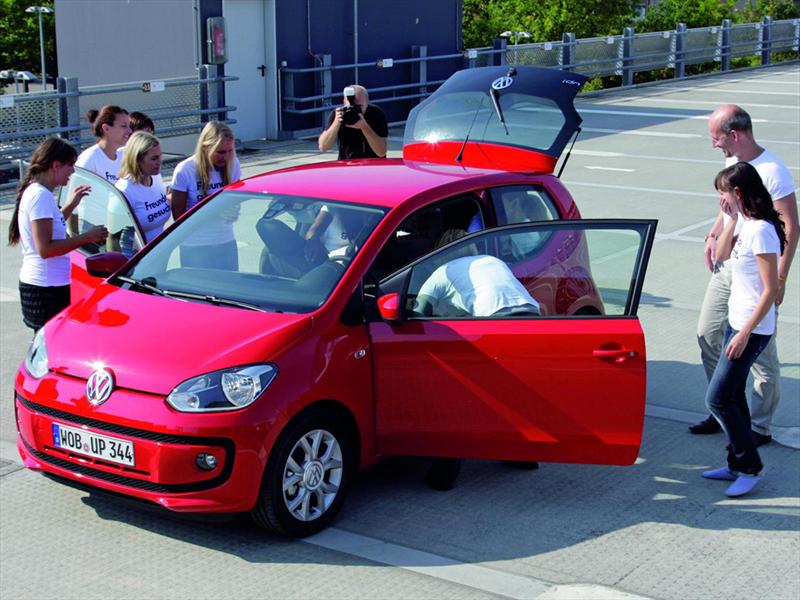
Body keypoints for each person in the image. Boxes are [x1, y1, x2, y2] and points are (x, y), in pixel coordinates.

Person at [691, 105, 798, 445]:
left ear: (734, 135)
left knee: (761, 353)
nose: (713, 145)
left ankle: (760, 426)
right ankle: (723, 407)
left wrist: (779, 279)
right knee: (708, 334)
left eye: (715, 138)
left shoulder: (772, 171)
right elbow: (728, 207)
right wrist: (713, 233)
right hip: (729, 264)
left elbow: (791, 227)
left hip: (756, 271)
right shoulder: (732, 163)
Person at [702, 162, 785, 497]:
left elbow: (770, 289)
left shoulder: (762, 231)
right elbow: (721, 255)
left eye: (723, 192)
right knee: (733, 395)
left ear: (737, 192)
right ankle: (736, 464)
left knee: (718, 399)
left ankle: (751, 466)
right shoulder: (744, 225)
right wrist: (731, 220)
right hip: (735, 323)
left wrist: (745, 333)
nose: (720, 199)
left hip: (752, 328)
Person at [7, 138, 108, 332]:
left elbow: (51, 225)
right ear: (55, 165)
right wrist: (87, 237)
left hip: (46, 286)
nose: (72, 171)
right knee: (48, 346)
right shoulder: (40, 196)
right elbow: (45, 248)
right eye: (70, 165)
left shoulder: (39, 192)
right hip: (45, 289)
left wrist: (71, 204)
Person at [414, 229, 540, 318]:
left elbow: (419, 312)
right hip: (532, 311)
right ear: (472, 246)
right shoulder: (492, 260)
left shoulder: (443, 271)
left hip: (495, 316)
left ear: (441, 252)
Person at [170, 121, 241, 269]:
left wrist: (233, 210)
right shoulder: (185, 170)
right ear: (206, 148)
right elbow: (179, 218)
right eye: (220, 152)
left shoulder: (234, 165)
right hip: (196, 246)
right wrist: (214, 212)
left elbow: (234, 206)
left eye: (230, 151)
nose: (226, 157)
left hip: (225, 241)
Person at [115, 132, 170, 254]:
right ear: (138, 160)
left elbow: (155, 205)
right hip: (137, 262)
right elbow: (114, 239)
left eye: (160, 156)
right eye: (154, 158)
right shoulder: (124, 190)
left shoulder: (156, 177)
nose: (160, 162)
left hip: (159, 253)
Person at [318, 85, 388, 159]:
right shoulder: (339, 114)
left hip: (372, 164)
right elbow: (323, 147)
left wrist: (364, 127)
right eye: (351, 106)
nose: (355, 110)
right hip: (348, 165)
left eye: (359, 106)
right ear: (344, 103)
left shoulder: (376, 114)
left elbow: (381, 152)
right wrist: (336, 124)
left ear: (367, 104)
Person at [76, 105, 131, 183]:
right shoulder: (90, 159)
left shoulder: (123, 157)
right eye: (124, 126)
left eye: (129, 126)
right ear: (106, 128)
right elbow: (75, 191)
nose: (130, 131)